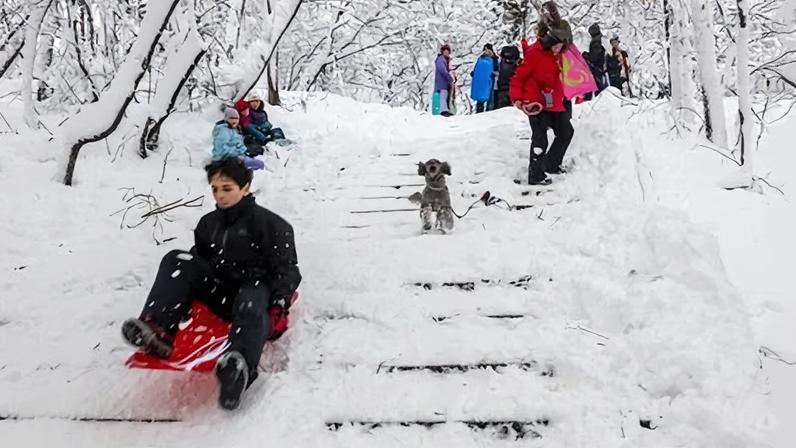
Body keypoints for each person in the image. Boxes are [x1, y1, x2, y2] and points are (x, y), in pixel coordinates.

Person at [121, 157, 302, 410]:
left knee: (251, 303)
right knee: (178, 259)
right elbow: (200, 260)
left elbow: (287, 269)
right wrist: (182, 293)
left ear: (246, 188)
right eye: (215, 189)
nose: (220, 196)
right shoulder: (208, 224)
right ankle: (158, 331)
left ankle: (237, 367)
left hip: (255, 289)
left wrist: (279, 303)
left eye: (227, 188)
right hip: (221, 291)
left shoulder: (271, 225)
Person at [509, 27, 574, 185]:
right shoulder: (535, 54)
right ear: (550, 43)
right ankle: (535, 175)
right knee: (540, 140)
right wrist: (517, 99)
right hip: (536, 103)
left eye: (560, 48)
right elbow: (518, 78)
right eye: (557, 47)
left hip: (555, 104)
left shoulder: (558, 57)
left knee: (566, 132)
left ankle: (551, 164)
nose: (558, 50)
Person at [470, 44, 497, 113]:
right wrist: (474, 73)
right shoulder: (480, 58)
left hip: (491, 82)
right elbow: (477, 68)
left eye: (488, 50)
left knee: (490, 98)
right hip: (481, 82)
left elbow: (497, 70)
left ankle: (489, 112)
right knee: (480, 98)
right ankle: (479, 111)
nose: (486, 52)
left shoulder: (494, 59)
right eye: (485, 50)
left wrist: (494, 74)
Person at [584, 23, 608, 99]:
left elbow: (594, 56)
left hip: (596, 67)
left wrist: (586, 56)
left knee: (597, 85)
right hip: (599, 67)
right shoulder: (599, 40)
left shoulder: (596, 42)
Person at [495, 45, 521, 109]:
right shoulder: (519, 62)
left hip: (502, 88)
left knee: (502, 110)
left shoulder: (501, 62)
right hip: (515, 88)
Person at [434, 44, 454, 117]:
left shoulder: (445, 60)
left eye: (448, 51)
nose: (447, 53)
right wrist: (449, 78)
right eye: (445, 51)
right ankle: (443, 110)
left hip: (444, 81)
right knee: (443, 95)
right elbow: (442, 70)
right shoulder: (441, 59)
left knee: (445, 95)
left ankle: (445, 109)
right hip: (442, 81)